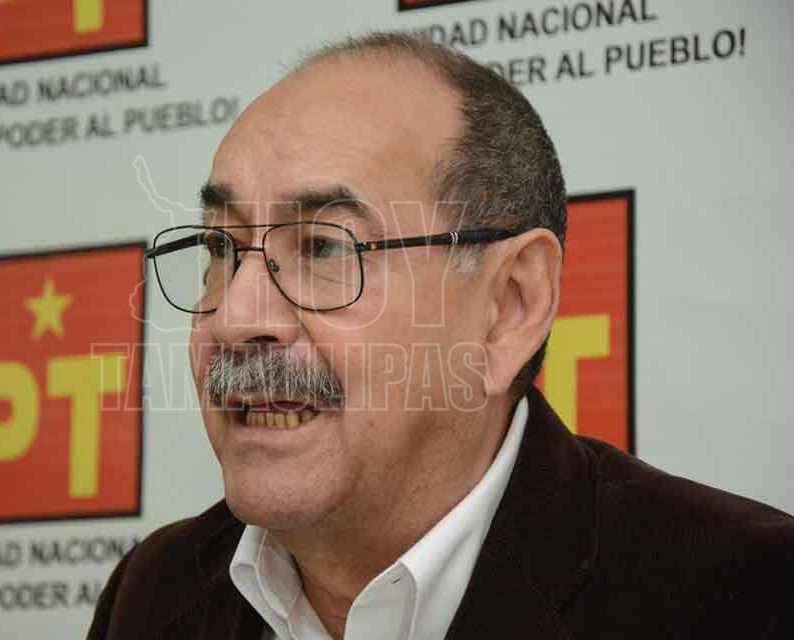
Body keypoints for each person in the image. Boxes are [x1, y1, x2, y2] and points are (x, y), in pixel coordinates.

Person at [87, 33, 794, 639]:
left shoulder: (746, 597)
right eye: (221, 246)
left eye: (324, 247)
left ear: (509, 307)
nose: (236, 319)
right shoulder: (152, 596)